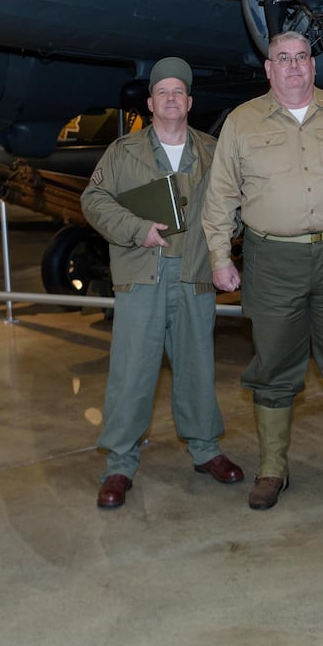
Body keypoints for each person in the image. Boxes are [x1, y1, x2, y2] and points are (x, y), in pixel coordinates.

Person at [202, 31, 323, 511]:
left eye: (301, 57)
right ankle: (272, 470)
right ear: (269, 69)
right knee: (273, 367)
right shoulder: (243, 122)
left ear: (313, 66)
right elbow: (221, 195)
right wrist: (221, 258)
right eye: (282, 59)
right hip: (271, 261)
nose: (293, 67)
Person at [79, 58, 244, 509]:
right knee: (132, 371)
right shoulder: (121, 152)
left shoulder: (213, 151)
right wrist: (138, 229)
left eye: (179, 92)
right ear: (150, 103)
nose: (171, 99)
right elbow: (92, 200)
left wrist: (223, 251)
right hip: (142, 273)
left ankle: (206, 449)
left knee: (197, 367)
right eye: (162, 92)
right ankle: (119, 464)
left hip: (194, 275)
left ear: (189, 102)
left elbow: (234, 207)